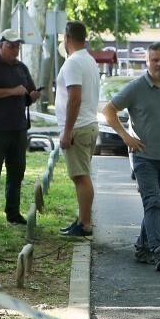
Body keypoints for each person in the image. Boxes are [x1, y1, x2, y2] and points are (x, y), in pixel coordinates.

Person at [103, 42, 160, 272]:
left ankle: (142, 247)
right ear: (147, 61)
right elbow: (109, 111)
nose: (159, 64)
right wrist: (126, 136)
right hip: (143, 157)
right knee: (152, 202)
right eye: (155, 60)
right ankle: (158, 249)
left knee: (157, 206)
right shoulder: (136, 88)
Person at [0, 28, 39, 226]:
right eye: (11, 46)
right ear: (0, 46)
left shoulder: (21, 68)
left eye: (17, 47)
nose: (15, 50)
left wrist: (33, 96)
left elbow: (27, 94)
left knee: (17, 172)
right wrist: (12, 91)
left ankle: (13, 212)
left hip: (18, 127)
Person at [54, 20, 100, 238]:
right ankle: (82, 218)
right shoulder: (88, 60)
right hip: (88, 125)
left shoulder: (73, 62)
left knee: (81, 177)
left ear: (67, 37)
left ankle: (85, 224)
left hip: (78, 128)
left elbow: (75, 98)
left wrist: (67, 131)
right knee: (81, 175)